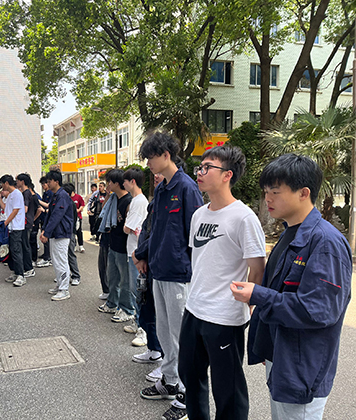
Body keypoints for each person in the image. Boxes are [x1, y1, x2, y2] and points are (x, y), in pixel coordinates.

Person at [231, 154, 352, 420]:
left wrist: (258, 295)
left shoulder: (325, 242)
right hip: (283, 356)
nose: (267, 199)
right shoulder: (290, 233)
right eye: (266, 192)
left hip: (303, 368)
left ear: (303, 193)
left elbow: (318, 310)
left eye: (275, 192)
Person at [178, 146, 266, 420]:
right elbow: (201, 260)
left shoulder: (244, 217)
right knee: (190, 376)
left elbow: (257, 270)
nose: (200, 172)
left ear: (228, 175)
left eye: (208, 167)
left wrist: (246, 305)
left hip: (225, 317)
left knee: (228, 389)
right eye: (200, 167)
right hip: (194, 309)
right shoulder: (198, 215)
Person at [138, 130, 203, 420]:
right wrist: (142, 254)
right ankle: (170, 380)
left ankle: (187, 396)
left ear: (166, 155)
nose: (148, 163)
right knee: (164, 331)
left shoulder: (186, 188)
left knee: (180, 335)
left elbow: (196, 235)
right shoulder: (162, 188)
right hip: (159, 270)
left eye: (151, 157)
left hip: (179, 273)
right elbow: (157, 231)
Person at [131, 173, 165, 382]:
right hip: (147, 262)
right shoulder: (155, 200)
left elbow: (160, 235)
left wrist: (140, 253)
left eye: (160, 173)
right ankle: (154, 349)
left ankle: (167, 365)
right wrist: (141, 255)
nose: (156, 176)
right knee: (146, 309)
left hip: (160, 265)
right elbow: (146, 230)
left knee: (164, 319)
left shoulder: (179, 196)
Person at [97, 169, 134, 323]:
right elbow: (104, 212)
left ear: (117, 183)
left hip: (124, 247)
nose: (108, 185)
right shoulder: (113, 198)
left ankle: (127, 309)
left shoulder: (129, 201)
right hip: (112, 243)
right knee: (112, 277)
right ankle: (112, 303)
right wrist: (107, 195)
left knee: (125, 281)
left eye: (110, 182)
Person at [122, 167, 149, 346]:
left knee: (139, 291)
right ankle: (137, 321)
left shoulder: (139, 202)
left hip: (136, 253)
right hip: (133, 250)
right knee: (135, 289)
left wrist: (127, 225)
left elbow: (127, 228)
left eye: (125, 181)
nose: (123, 184)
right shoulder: (137, 200)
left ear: (132, 182)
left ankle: (143, 329)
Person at [40, 170, 74, 301]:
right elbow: (50, 214)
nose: (47, 184)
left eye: (49, 181)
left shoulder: (62, 196)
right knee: (55, 260)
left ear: (56, 181)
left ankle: (64, 289)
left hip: (62, 233)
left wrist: (46, 232)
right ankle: (60, 284)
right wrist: (45, 230)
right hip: (56, 233)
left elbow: (56, 216)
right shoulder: (55, 195)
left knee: (61, 260)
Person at [0, 175, 32, 287]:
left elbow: (15, 210)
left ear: (6, 183)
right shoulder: (10, 195)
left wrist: (6, 223)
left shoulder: (17, 194)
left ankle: (21, 275)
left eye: (2, 184)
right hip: (10, 227)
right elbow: (5, 208)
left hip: (16, 227)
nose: (2, 187)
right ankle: (15, 272)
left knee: (16, 251)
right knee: (11, 251)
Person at [16, 173, 36, 278]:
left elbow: (25, 209)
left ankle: (29, 268)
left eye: (17, 180)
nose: (16, 182)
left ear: (22, 182)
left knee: (25, 245)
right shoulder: (25, 193)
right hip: (26, 222)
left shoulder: (26, 193)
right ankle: (27, 267)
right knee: (25, 244)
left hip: (26, 222)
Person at [62, 183, 82, 286]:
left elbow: (72, 221)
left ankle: (76, 276)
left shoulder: (70, 204)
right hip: (63, 232)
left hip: (70, 232)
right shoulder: (63, 202)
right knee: (63, 255)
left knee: (70, 254)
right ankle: (65, 275)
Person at [36, 176, 53, 267]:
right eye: (42, 184)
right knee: (43, 237)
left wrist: (39, 202)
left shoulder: (50, 193)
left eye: (44, 184)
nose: (43, 186)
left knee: (46, 237)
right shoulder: (45, 193)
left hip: (48, 217)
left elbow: (49, 206)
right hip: (44, 218)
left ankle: (47, 257)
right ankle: (46, 254)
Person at [70, 185, 86, 252]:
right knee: (72, 232)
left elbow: (82, 205)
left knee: (79, 231)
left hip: (78, 216)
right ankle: (74, 245)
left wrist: (78, 210)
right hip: (70, 217)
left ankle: (81, 246)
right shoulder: (68, 197)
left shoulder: (78, 197)